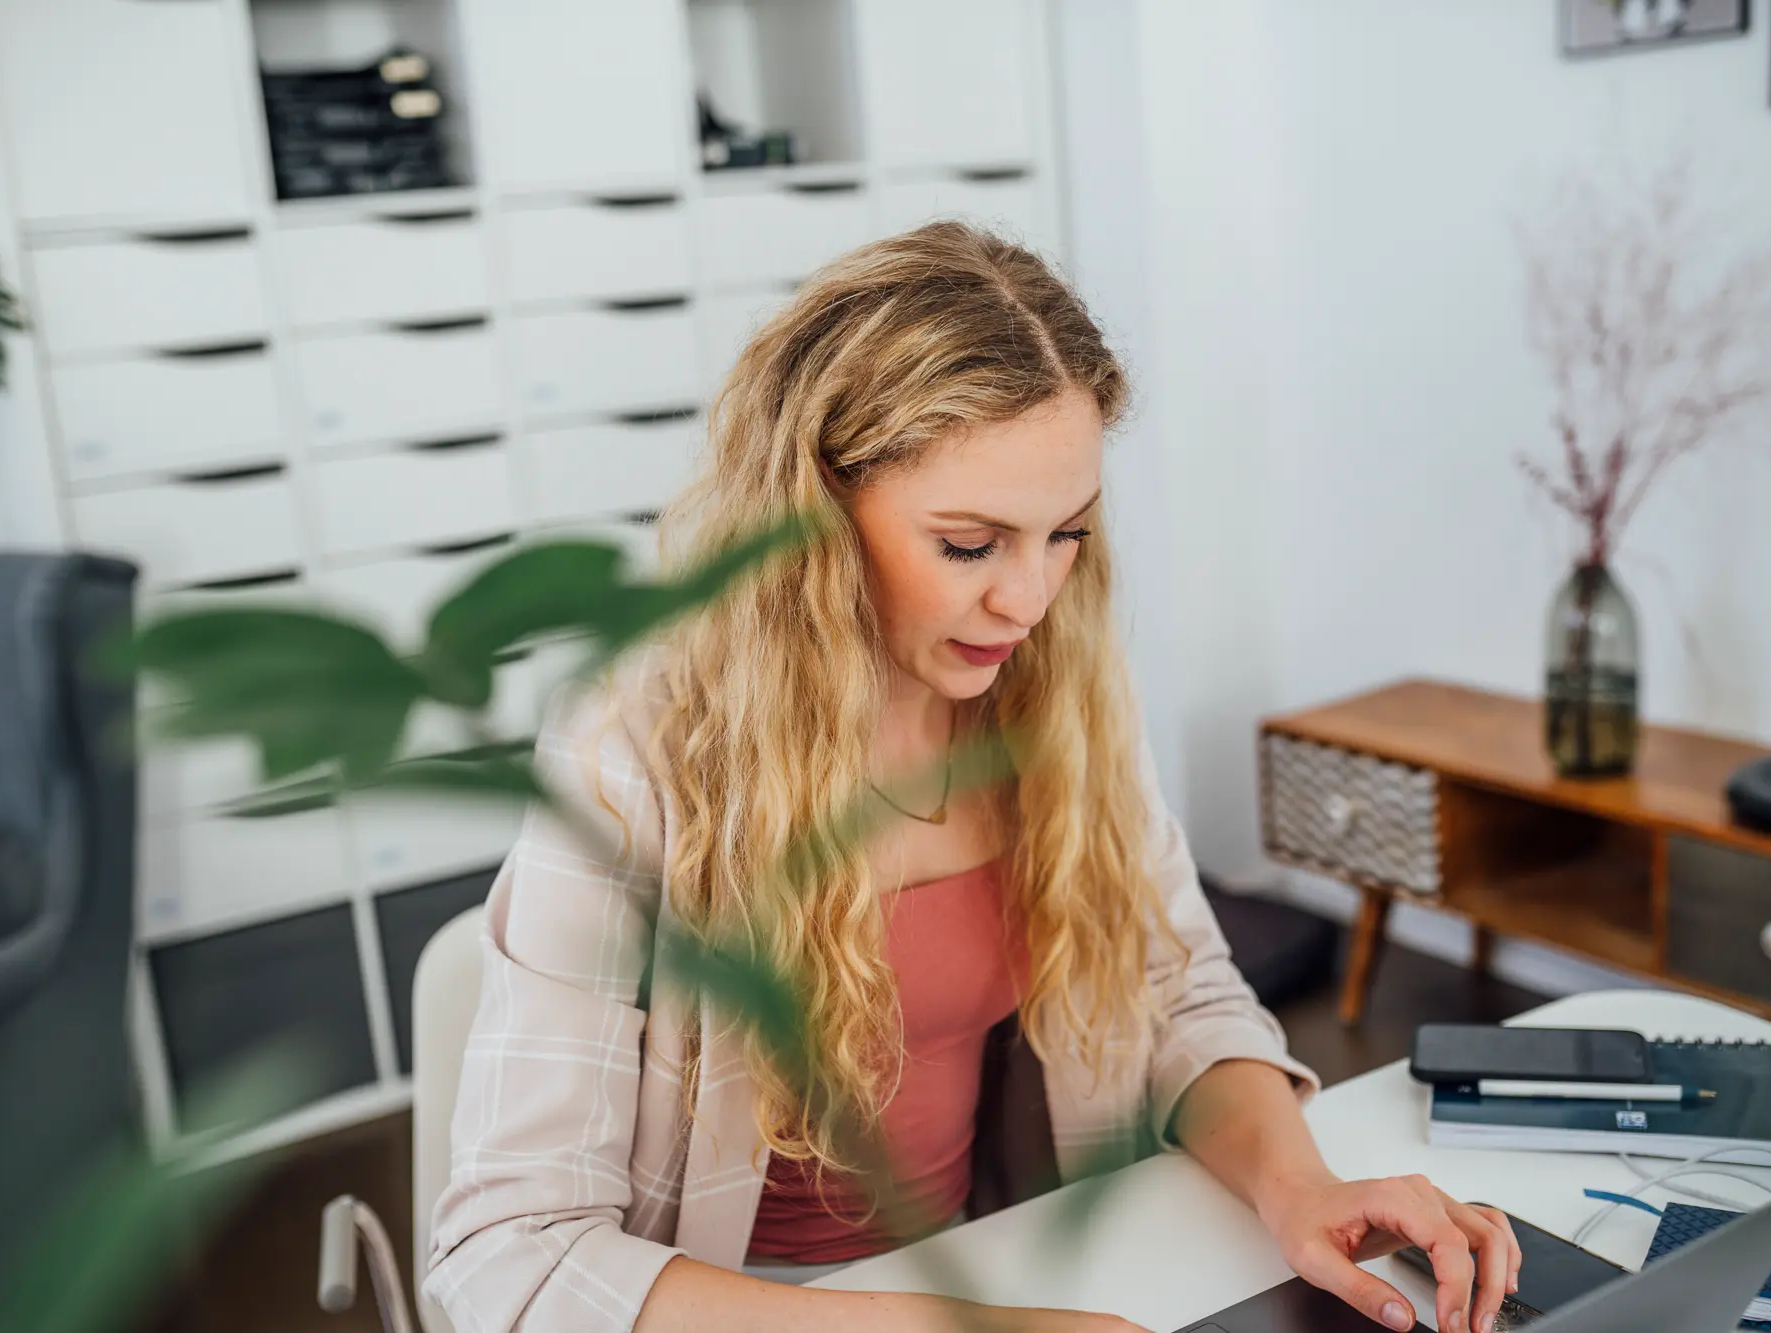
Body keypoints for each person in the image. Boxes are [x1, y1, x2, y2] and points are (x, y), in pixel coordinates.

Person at [425, 223, 1518, 1333]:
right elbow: (510, 1259)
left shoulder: (1057, 694)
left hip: (990, 1266)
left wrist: (1303, 1189)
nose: (1029, 600)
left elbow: (1177, 997)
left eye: (1065, 533)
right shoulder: (634, 749)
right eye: (968, 544)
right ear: (811, 516)